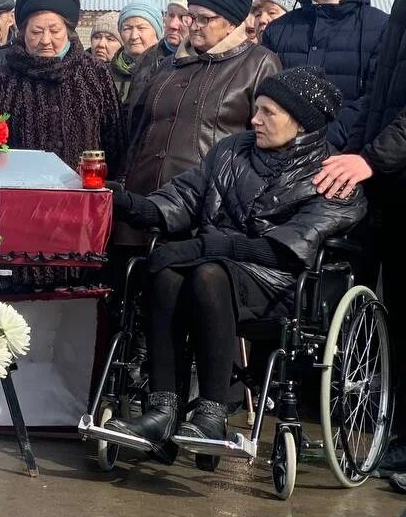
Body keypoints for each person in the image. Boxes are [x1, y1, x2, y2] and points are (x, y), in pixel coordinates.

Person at [106, 68, 364, 454]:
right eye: (255, 109)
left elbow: (287, 248)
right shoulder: (231, 150)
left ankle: (212, 414)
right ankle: (162, 408)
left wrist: (206, 248)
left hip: (280, 284)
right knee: (167, 274)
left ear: (302, 122)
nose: (254, 119)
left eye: (268, 112)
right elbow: (182, 199)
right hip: (214, 268)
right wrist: (125, 202)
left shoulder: (332, 174)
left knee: (208, 273)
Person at [316, 0, 406, 478]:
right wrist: (348, 151)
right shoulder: (404, 2)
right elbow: (380, 92)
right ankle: (392, 432)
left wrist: (373, 157)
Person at [122, 0, 281, 199]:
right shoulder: (168, 64)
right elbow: (140, 130)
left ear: (231, 24)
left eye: (204, 19)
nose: (194, 25)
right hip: (142, 194)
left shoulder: (258, 63)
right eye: (192, 17)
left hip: (207, 200)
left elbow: (269, 141)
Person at [261, 0, 390, 150]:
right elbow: (263, 89)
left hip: (346, 155)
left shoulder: (379, 27)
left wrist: (329, 138)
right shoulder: (279, 28)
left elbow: (375, 95)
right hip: (283, 150)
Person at [0, 0, 123, 170]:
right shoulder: (5, 76)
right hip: (23, 188)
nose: (45, 40)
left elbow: (114, 139)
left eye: (55, 31)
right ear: (23, 33)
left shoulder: (94, 72)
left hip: (83, 189)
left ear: (68, 31)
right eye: (36, 32)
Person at [112, 0, 163, 104]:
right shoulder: (106, 73)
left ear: (157, 32)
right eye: (127, 28)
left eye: (141, 28)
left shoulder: (166, 71)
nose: (134, 36)